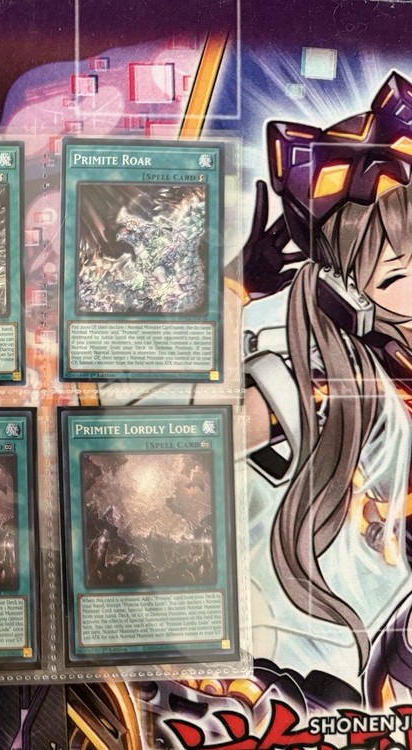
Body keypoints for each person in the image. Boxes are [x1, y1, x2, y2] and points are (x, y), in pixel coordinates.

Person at [243, 71, 412, 701]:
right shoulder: (324, 383)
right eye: (396, 275)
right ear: (346, 295)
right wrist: (236, 293)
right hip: (356, 663)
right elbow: (192, 432)